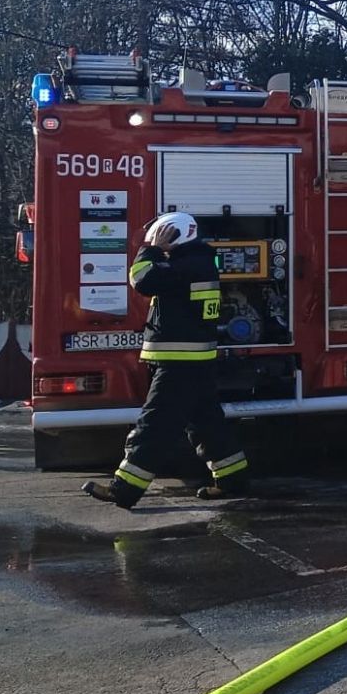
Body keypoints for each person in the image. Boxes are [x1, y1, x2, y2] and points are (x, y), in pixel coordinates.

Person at [82, 212, 248, 509]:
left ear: (175, 235)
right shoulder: (199, 263)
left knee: (154, 425)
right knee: (207, 423)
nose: (160, 243)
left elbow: (141, 279)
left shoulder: (183, 267)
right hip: (196, 360)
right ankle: (232, 479)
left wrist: (152, 249)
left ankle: (125, 489)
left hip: (179, 363)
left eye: (163, 237)